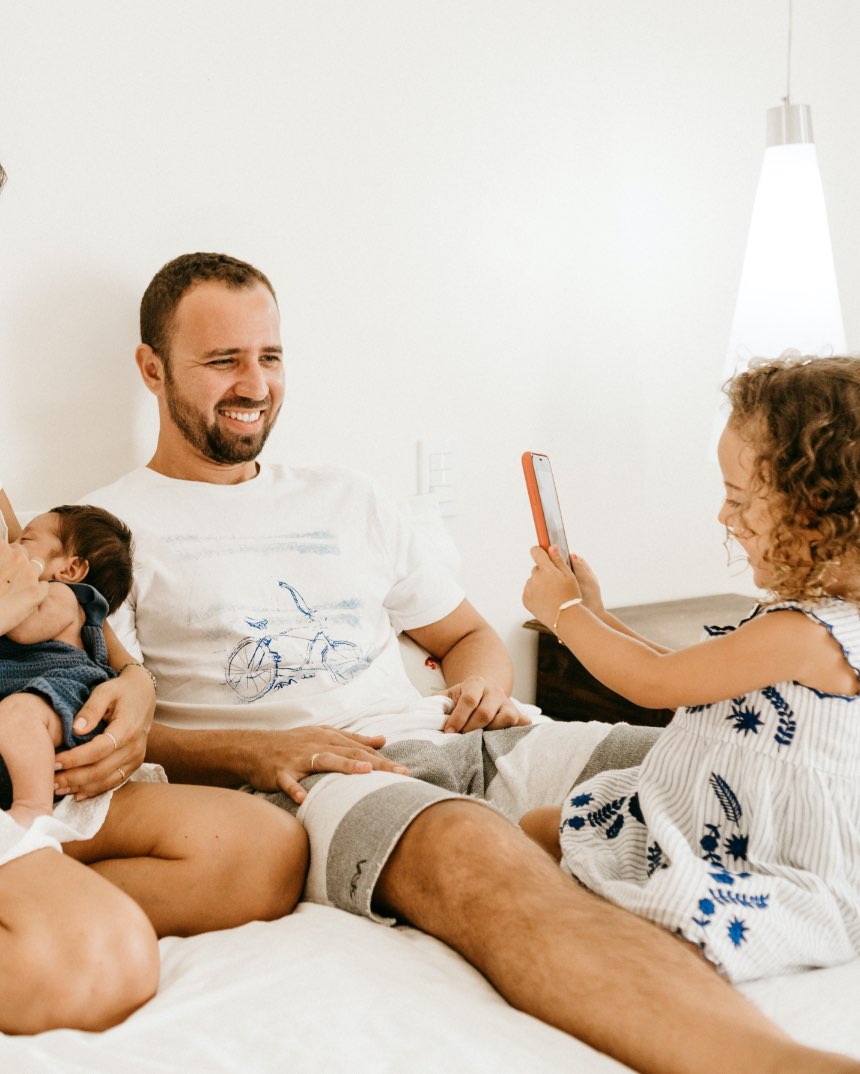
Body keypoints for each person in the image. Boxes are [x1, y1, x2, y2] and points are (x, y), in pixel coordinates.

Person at [78, 251, 856, 1074]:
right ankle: (766, 1061)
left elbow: (468, 639)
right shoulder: (99, 532)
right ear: (151, 369)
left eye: (270, 356)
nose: (255, 383)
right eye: (222, 360)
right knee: (487, 868)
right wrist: (253, 752)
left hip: (469, 735)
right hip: (329, 779)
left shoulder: (352, 497)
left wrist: (482, 686)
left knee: (711, 764)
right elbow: (111, 731)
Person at [0, 168, 308, 1036]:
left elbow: (57, 623)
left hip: (28, 773)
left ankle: (42, 890)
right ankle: (54, 916)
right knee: (101, 963)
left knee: (263, 846)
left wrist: (132, 692)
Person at [521, 355, 860, 985]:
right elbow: (679, 671)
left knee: (673, 916)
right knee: (543, 828)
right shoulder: (808, 621)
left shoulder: (806, 636)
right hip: (706, 821)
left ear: (816, 512)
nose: (723, 518)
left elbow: (654, 685)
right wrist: (595, 612)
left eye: (738, 500)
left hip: (767, 853)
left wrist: (564, 614)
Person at [0, 505, 137, 827]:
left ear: (71, 569)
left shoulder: (62, 596)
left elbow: (21, 625)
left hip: (63, 697)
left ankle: (32, 808)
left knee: (17, 713)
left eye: (25, 541)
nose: (12, 548)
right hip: (27, 697)